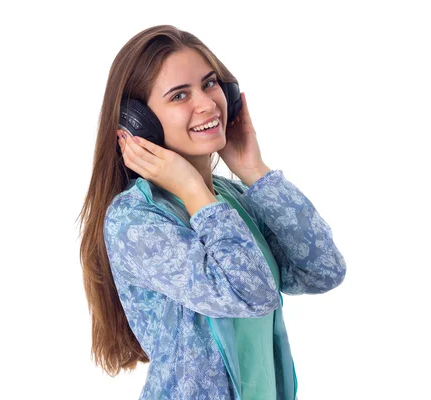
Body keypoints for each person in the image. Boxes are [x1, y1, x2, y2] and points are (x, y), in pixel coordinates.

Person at [77, 24, 347, 400]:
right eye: (179, 95)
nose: (206, 103)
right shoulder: (135, 220)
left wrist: (254, 172)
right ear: (139, 124)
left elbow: (323, 270)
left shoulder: (230, 200)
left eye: (209, 84)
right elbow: (251, 293)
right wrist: (190, 187)